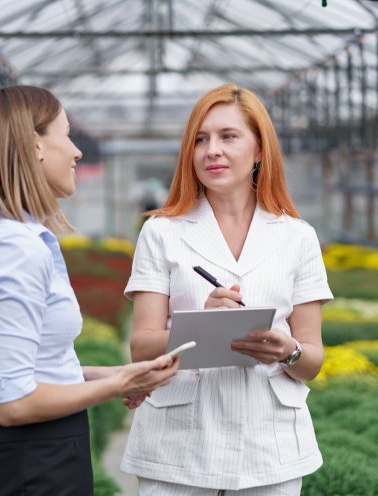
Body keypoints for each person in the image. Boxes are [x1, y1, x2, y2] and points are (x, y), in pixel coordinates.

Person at [0, 85, 179, 496]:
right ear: (34, 145)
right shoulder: (17, 249)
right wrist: (116, 387)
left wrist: (120, 373)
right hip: (38, 466)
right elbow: (12, 403)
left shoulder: (16, 239)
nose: (77, 152)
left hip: (43, 457)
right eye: (67, 134)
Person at [120, 83, 334, 495]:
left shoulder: (297, 237)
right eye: (200, 140)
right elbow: (141, 346)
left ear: (259, 150)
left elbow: (312, 360)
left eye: (228, 137)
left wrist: (286, 350)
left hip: (268, 448)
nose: (211, 150)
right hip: (178, 447)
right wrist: (199, 327)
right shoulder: (161, 232)